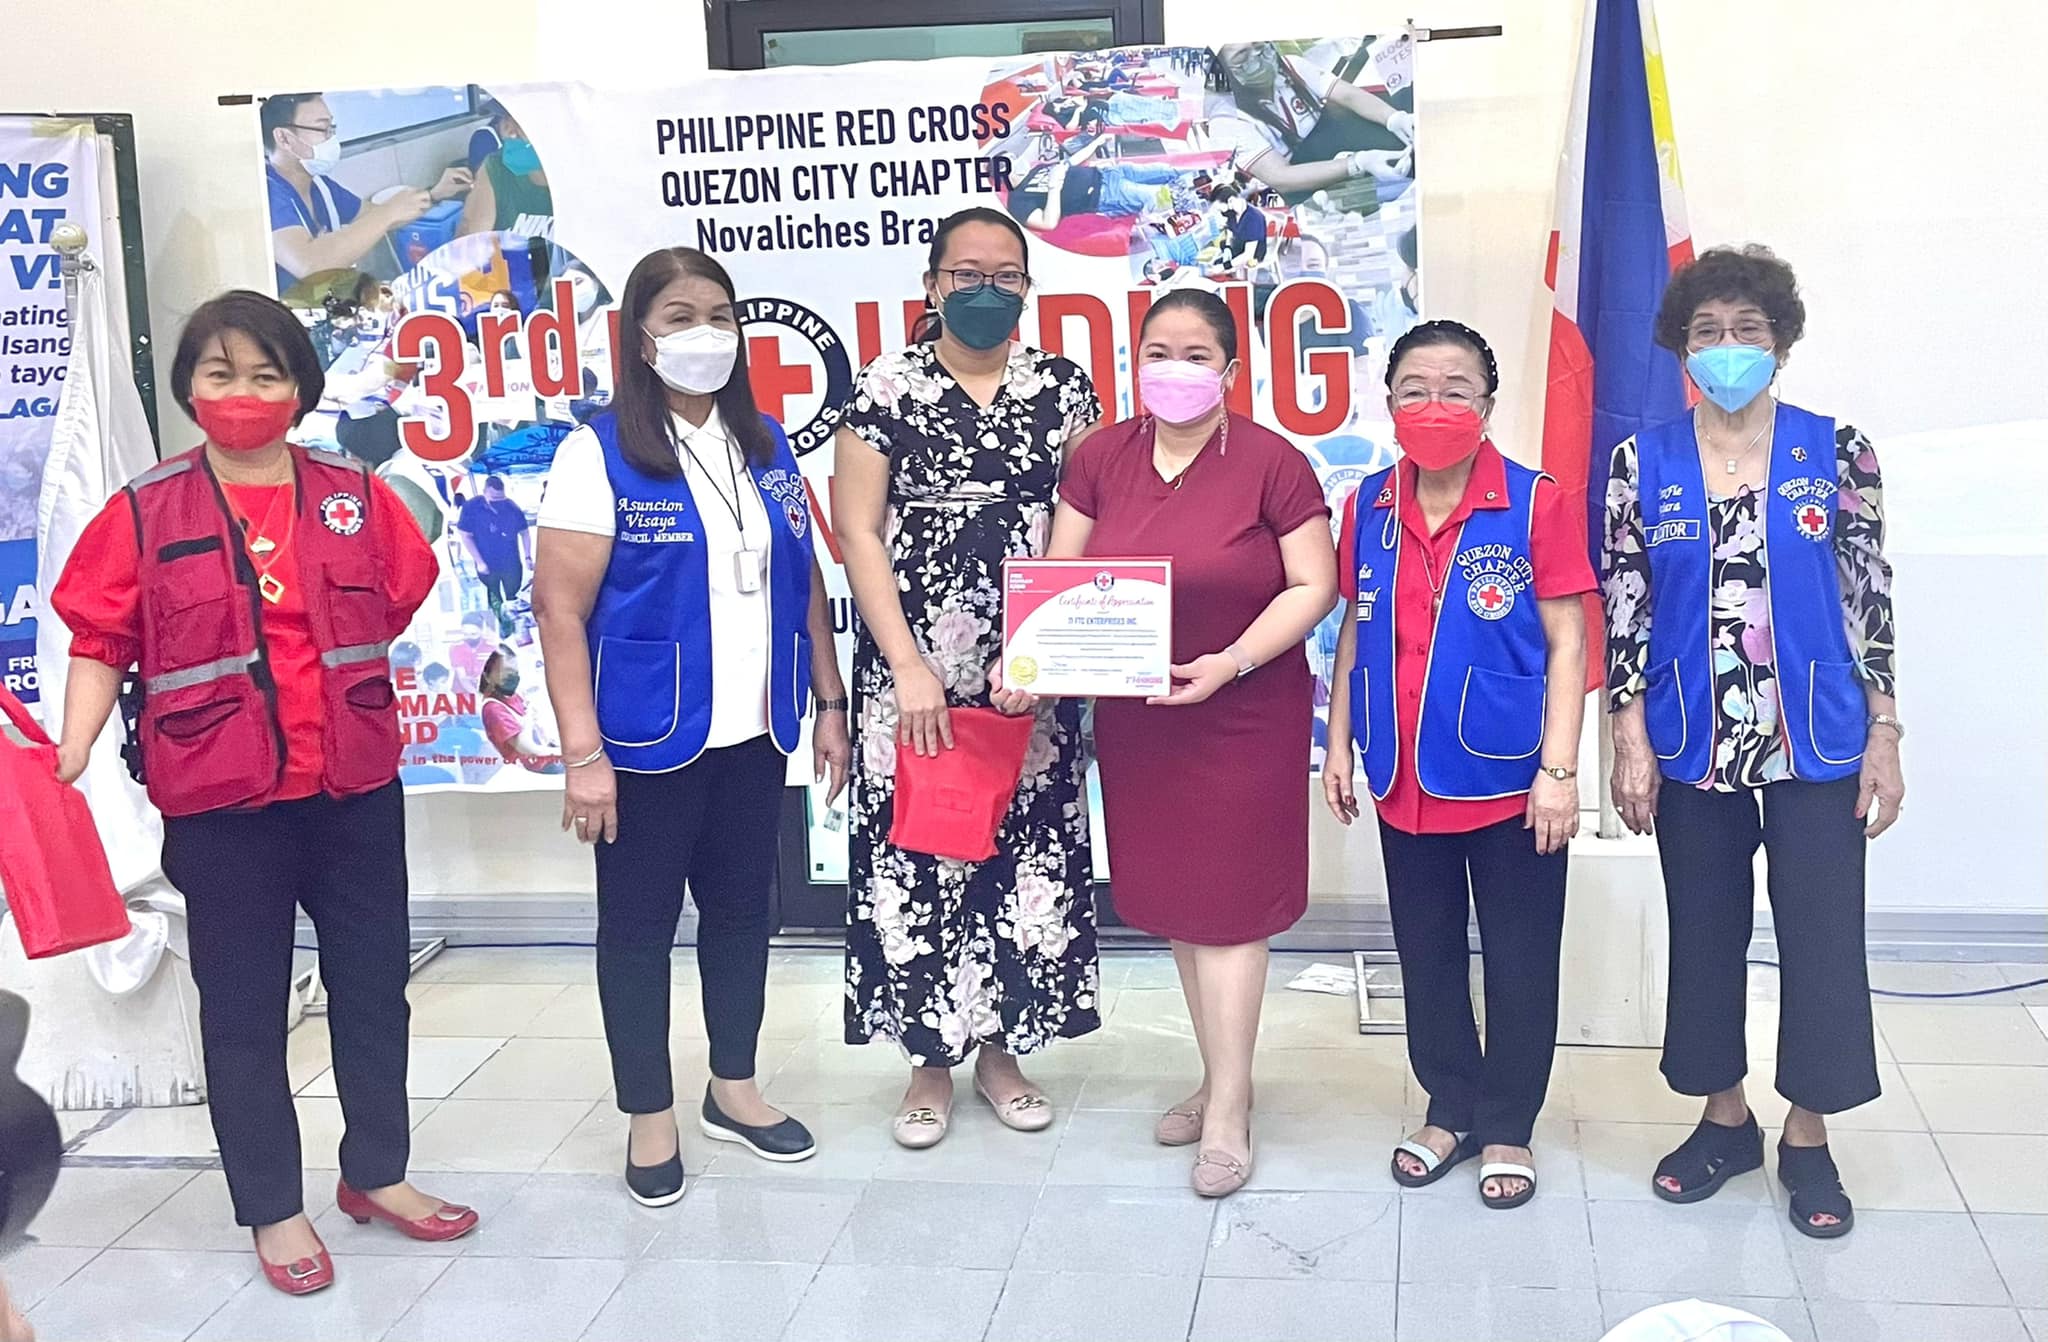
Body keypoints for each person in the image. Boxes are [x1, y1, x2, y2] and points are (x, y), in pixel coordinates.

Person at [49, 291, 474, 1295]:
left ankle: (377, 1173)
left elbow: (398, 592)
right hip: (221, 805)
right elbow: (100, 640)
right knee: (243, 1012)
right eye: (220, 373)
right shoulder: (145, 510)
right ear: (189, 388)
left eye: (264, 374)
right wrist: (72, 747)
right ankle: (274, 1209)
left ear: (299, 389)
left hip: (352, 790)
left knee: (374, 991)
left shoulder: (351, 494)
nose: (241, 392)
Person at [534, 246, 852, 1204]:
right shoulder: (598, 453)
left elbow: (804, 581)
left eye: (719, 315)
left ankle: (733, 1087)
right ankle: (649, 1115)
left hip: (756, 729)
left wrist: (829, 703)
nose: (704, 334)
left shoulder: (767, 442)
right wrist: (583, 756)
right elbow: (558, 610)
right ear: (641, 337)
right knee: (637, 930)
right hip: (644, 740)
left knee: (744, 912)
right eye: (679, 317)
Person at [1603, 246, 1903, 1239]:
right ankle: (1722, 1119)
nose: (1726, 346)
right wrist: (1628, 734)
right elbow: (1626, 607)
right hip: (1691, 738)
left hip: (1816, 736)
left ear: (1779, 341)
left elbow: (1867, 599)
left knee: (1822, 935)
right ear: (1680, 348)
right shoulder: (1641, 461)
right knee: (1703, 929)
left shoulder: (1835, 449)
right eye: (1706, 331)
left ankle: (1808, 1135)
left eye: (1746, 329)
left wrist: (1885, 730)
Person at [1040, 290, 1336, 1195]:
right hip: (1143, 720)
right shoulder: (1099, 457)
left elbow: (1313, 585)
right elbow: (1060, 576)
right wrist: (1035, 657)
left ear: (1230, 371)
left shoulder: (1273, 462)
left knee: (1233, 910)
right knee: (1180, 903)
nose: (1175, 370)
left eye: (1196, 354)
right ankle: (1216, 1079)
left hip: (1243, 712)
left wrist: (1232, 661)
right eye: (1157, 352)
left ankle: (1231, 1110)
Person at [835, 207, 1102, 1147]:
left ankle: (1002, 1053)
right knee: (922, 848)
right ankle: (927, 1061)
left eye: (1006, 275)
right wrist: (907, 665)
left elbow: (1086, 520)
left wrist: (1041, 651)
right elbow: (857, 529)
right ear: (933, 285)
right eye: (967, 274)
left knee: (1022, 849)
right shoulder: (886, 385)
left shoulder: (1063, 387)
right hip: (914, 666)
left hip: (1028, 670)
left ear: (1027, 287)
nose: (987, 290)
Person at [1322, 320, 1593, 1209]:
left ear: (1487, 404)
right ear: (1389, 402)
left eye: (1455, 389)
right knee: (1425, 951)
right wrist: (1337, 741)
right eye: (1415, 390)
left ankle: (1507, 1121)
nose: (1434, 405)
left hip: (1510, 777)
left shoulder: (1534, 500)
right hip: (1402, 771)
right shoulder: (1368, 504)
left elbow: (1568, 638)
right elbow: (1355, 625)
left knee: (1520, 956)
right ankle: (1450, 1103)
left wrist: (1560, 771)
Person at [261, 93, 471, 294]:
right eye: (323, 129)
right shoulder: (267, 192)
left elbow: (375, 216)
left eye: (332, 128)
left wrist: (435, 194)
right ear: (284, 138)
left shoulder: (322, 187)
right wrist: (389, 212)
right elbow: (310, 265)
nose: (331, 139)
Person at [1210, 43, 1414, 200]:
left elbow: (1348, 95)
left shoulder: (1291, 67)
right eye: (1242, 55)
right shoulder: (1227, 120)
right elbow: (1280, 177)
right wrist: (1357, 164)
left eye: (1258, 46)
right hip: (1309, 189)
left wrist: (1393, 118)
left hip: (1339, 144)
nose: (1256, 56)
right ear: (1222, 70)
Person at [1006, 138, 1188, 233]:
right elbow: (1048, 224)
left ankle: (1202, 175)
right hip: (1104, 194)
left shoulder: (1036, 169)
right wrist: (1054, 186)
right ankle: (1199, 203)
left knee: (1167, 171)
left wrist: (1096, 142)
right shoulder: (1018, 200)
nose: (1015, 162)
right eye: (1009, 162)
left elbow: (1069, 162)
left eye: (1013, 158)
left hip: (1109, 172)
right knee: (1162, 197)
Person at [460, 109, 554, 239]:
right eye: (506, 119)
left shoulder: (581, 173)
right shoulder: (496, 168)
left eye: (520, 121)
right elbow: (470, 240)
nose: (509, 132)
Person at [457, 475, 532, 635]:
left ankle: (517, 629)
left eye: (501, 498)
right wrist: (479, 561)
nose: (498, 502)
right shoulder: (471, 508)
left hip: (510, 559)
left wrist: (527, 556)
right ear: (484, 492)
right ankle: (503, 628)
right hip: (486, 560)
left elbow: (525, 532)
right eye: (494, 499)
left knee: (514, 596)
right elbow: (466, 536)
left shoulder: (511, 507)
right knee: (494, 596)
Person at [477, 646, 560, 773]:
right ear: (488, 676)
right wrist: (562, 752)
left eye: (515, 672)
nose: (512, 676)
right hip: (532, 769)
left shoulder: (513, 695)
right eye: (505, 672)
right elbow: (526, 748)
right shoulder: (493, 709)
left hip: (544, 754)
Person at [449, 609, 492, 693]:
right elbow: (463, 678)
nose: (469, 638)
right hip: (462, 694)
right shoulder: (456, 648)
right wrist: (477, 695)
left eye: (473, 634)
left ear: (482, 630)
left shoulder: (491, 646)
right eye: (465, 634)